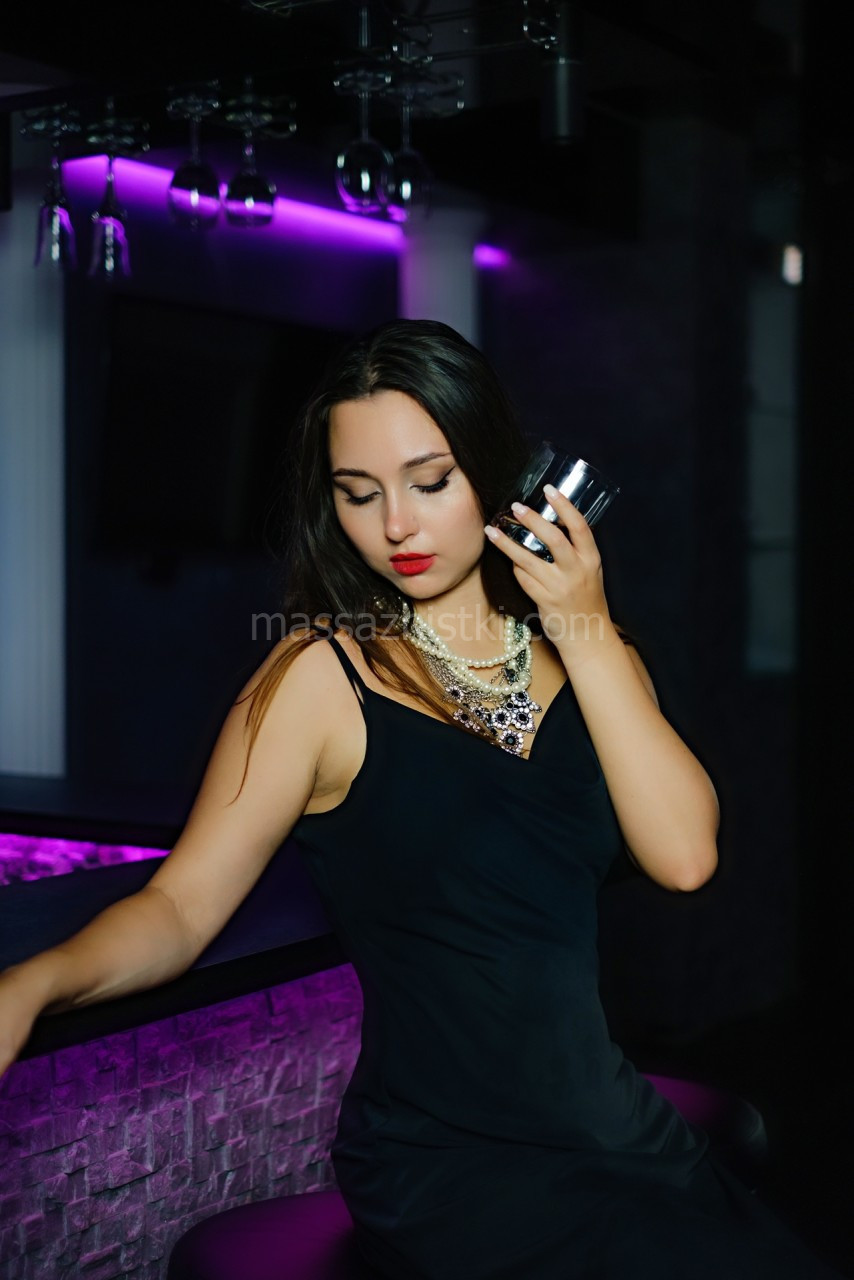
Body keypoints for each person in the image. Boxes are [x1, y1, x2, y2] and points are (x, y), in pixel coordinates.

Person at [0, 319, 846, 1279]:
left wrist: (586, 627)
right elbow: (179, 908)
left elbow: (685, 858)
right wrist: (34, 982)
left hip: (614, 1134)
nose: (395, 525)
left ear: (496, 472)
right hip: (451, 1168)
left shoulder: (591, 658)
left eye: (430, 482)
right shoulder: (320, 678)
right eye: (358, 493)